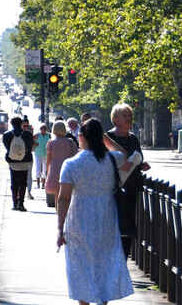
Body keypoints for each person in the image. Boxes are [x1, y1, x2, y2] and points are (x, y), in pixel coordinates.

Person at [56, 118, 136, 304]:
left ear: (81, 137)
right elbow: (122, 153)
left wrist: (60, 227)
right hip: (106, 218)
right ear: (100, 138)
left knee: (81, 265)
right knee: (105, 263)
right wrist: (104, 138)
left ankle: (84, 302)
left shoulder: (70, 164)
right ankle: (103, 301)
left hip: (79, 220)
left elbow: (64, 198)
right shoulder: (110, 159)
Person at [105, 102, 150, 256]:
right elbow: (102, 162)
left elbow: (137, 157)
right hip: (113, 187)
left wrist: (141, 165)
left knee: (129, 224)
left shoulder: (133, 138)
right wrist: (118, 167)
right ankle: (113, 256)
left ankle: (124, 257)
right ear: (115, 118)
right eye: (125, 115)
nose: (129, 118)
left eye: (130, 116)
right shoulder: (108, 137)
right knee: (115, 222)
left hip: (132, 186)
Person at [3, 116, 34, 210]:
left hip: (12, 161)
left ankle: (14, 203)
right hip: (25, 160)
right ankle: (21, 203)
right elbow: (30, 146)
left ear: (11, 124)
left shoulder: (6, 135)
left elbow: (7, 148)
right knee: (23, 182)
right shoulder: (28, 134)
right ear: (21, 123)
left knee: (14, 181)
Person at [46, 120, 79, 207]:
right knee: (68, 193)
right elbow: (76, 156)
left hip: (54, 169)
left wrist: (47, 170)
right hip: (67, 168)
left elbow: (48, 159)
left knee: (57, 195)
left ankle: (59, 215)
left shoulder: (51, 142)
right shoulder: (70, 141)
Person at [33, 123, 51, 189]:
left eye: (44, 128)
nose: (43, 129)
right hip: (38, 154)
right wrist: (34, 144)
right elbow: (30, 140)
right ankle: (38, 184)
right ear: (40, 129)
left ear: (46, 129)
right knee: (38, 168)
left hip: (46, 154)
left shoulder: (49, 136)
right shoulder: (37, 135)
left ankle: (43, 184)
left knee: (45, 169)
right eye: (42, 128)